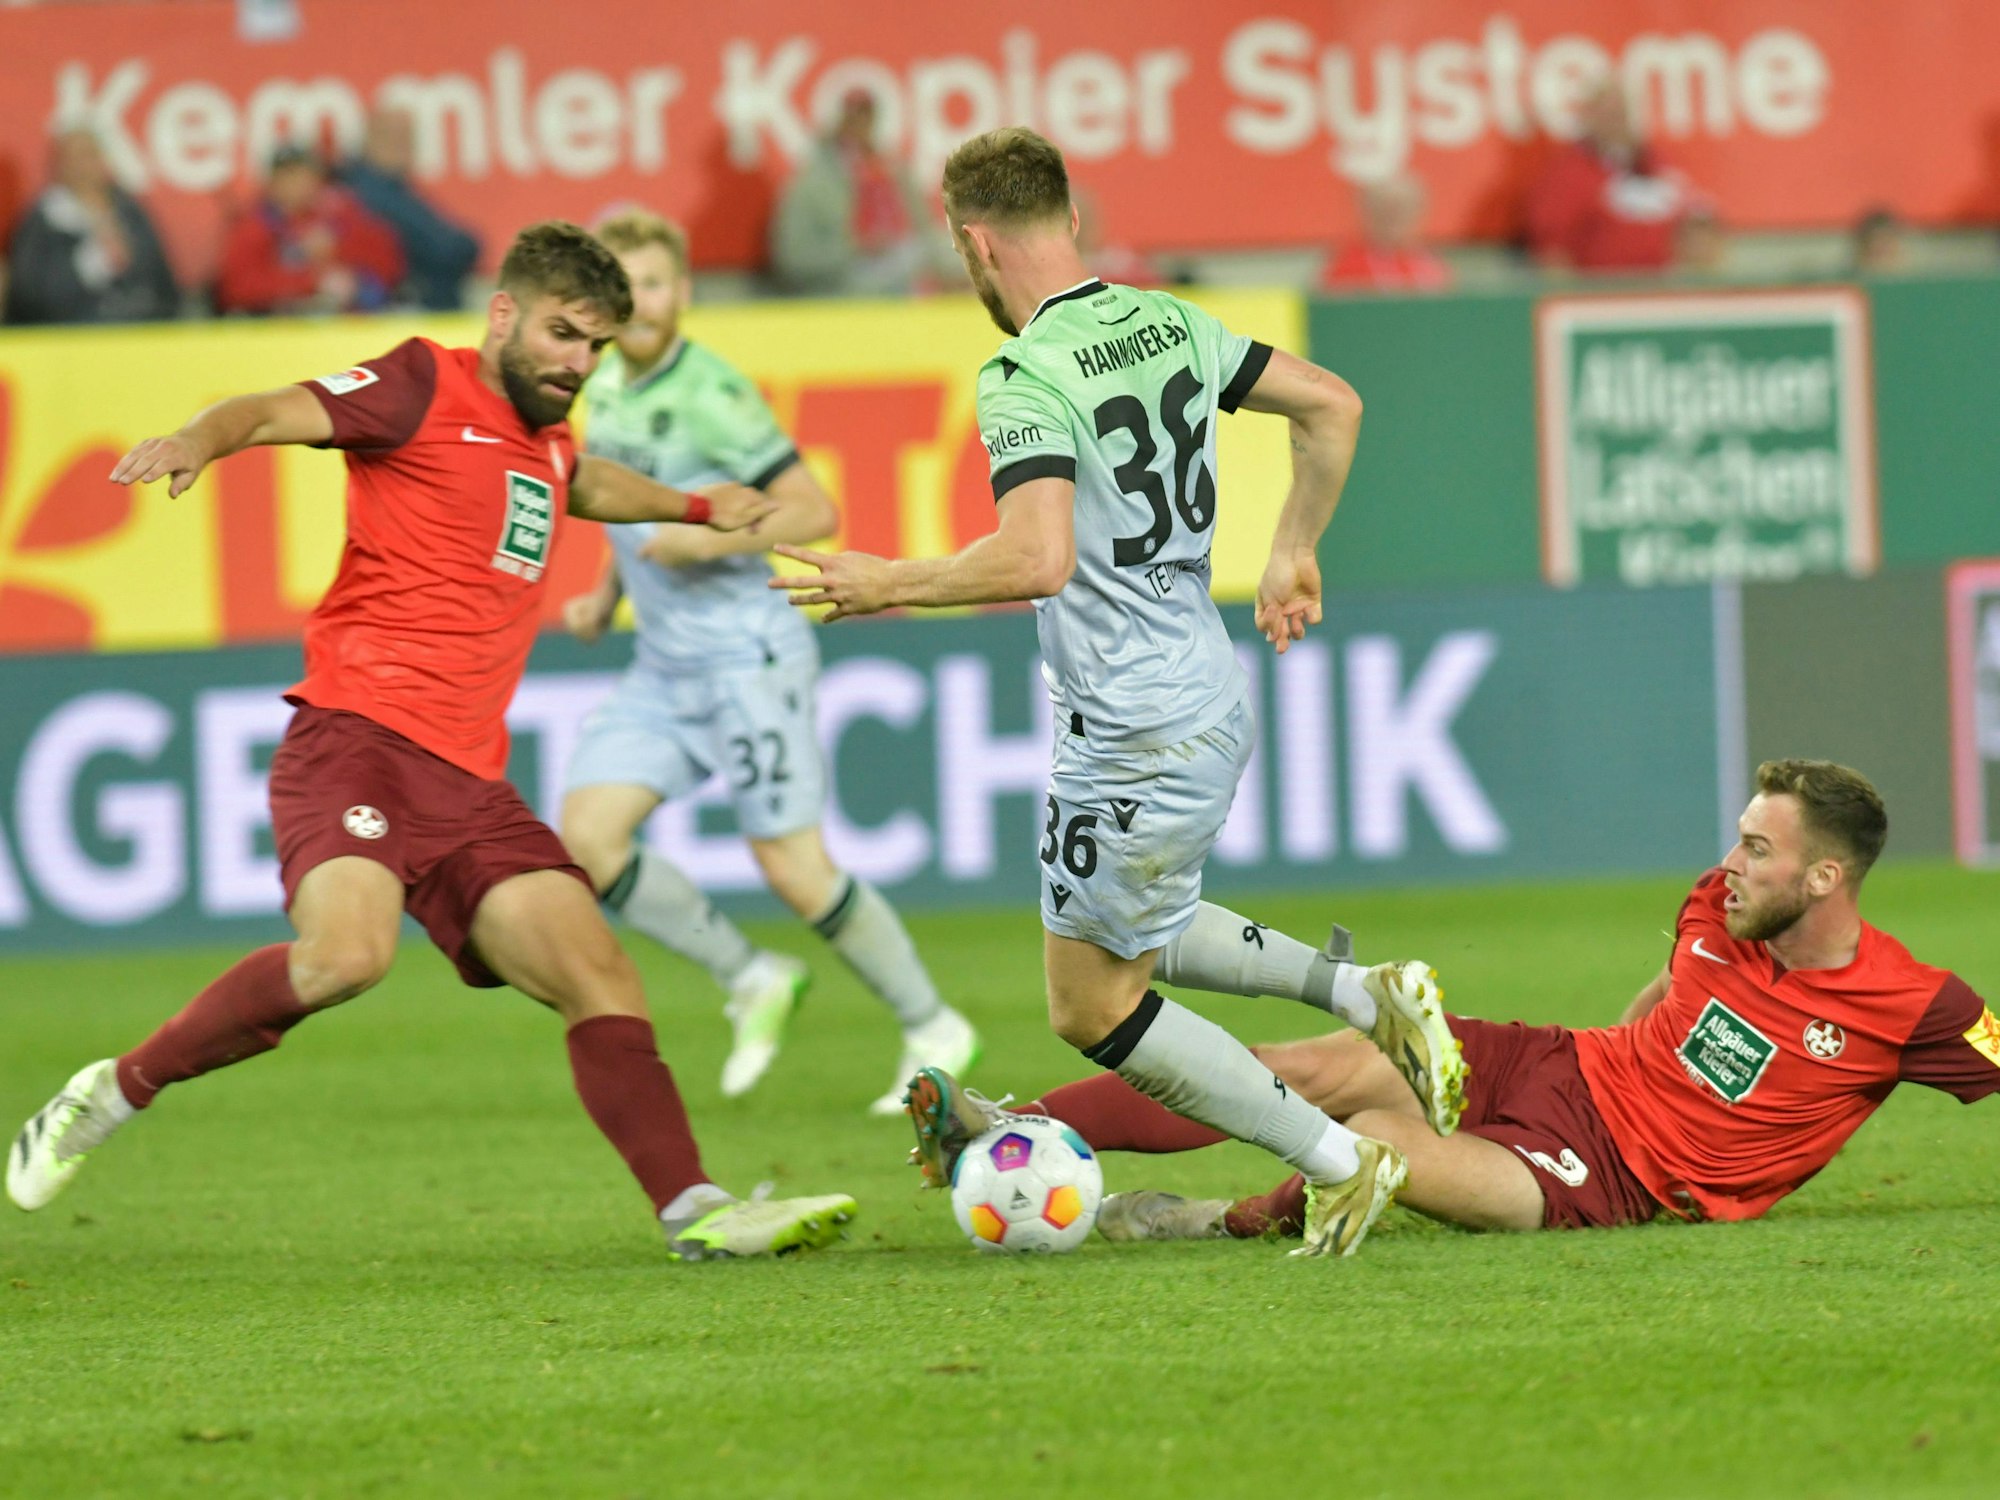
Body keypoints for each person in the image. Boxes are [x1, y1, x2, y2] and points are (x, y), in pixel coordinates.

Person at [7, 221, 856, 1261]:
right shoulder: (418, 385)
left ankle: (695, 1211)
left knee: (599, 972)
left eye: (592, 346)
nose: (575, 362)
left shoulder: (547, 439)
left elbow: (582, 484)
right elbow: (275, 408)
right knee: (345, 958)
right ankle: (112, 1092)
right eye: (560, 334)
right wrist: (199, 438)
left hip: (470, 788)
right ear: (503, 315)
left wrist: (694, 505)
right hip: (357, 741)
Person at [769, 126, 1459, 1259]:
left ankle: (1340, 1163)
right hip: (1201, 691)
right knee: (1124, 925)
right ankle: (1359, 992)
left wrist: (889, 580)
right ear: (1070, 222)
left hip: (1130, 726)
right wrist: (1291, 547)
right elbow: (1332, 404)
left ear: (974, 243)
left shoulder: (1022, 373)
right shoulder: (1166, 318)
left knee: (1089, 1002)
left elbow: (1033, 558)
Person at [988, 760, 2000, 1243]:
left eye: (1757, 849)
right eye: (1735, 836)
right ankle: (999, 1132)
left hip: (1616, 1177)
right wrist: (1614, 1044)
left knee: (1381, 1152)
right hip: (1563, 1065)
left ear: (1824, 880)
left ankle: (1215, 1221)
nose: (1728, 863)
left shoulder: (1916, 1006)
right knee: (1309, 1064)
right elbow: (1675, 986)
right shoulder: (1716, 906)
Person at [558, 208, 979, 1112]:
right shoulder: (608, 388)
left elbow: (812, 509)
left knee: (792, 867)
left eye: (659, 284)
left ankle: (931, 1021)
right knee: (587, 838)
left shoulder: (714, 391)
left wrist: (706, 544)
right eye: (625, 288)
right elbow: (629, 504)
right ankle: (749, 976)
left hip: (747, 655)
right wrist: (605, 594)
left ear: (686, 293)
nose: (642, 303)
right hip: (664, 665)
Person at [768, 90, 936, 297]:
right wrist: (854, 247)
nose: (859, 128)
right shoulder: (811, 186)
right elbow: (793, 258)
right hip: (842, 294)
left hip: (905, 280)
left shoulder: (894, 173)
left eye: (866, 118)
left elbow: (926, 238)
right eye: (852, 118)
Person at [4, 126, 178, 325]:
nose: (84, 166)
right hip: (68, 336)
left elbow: (163, 283)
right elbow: (29, 297)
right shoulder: (43, 221)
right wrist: (88, 265)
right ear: (59, 166)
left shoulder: (130, 212)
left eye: (90, 155)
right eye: (74, 158)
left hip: (137, 331)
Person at [1524, 78, 1693, 274]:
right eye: (1607, 114)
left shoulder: (1657, 164)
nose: (1616, 122)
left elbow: (1694, 219)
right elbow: (1552, 251)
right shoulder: (1567, 176)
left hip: (1663, 291)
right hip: (1603, 293)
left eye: (1621, 113)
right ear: (1587, 117)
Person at [215, 143, 405, 316]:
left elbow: (389, 264)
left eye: (304, 175)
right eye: (288, 176)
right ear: (272, 182)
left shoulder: (341, 214)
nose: (297, 184)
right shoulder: (256, 226)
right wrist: (311, 281)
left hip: (344, 324)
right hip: (277, 330)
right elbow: (236, 290)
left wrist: (338, 250)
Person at [337, 107, 482, 311]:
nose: (402, 145)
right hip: (408, 310)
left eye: (407, 137)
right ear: (368, 140)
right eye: (390, 136)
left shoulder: (397, 188)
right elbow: (446, 248)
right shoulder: (369, 190)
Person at [1320, 173, 1451, 294]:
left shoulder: (1432, 268)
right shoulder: (1346, 270)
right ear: (1366, 212)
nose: (1394, 218)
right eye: (1384, 209)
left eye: (1402, 209)